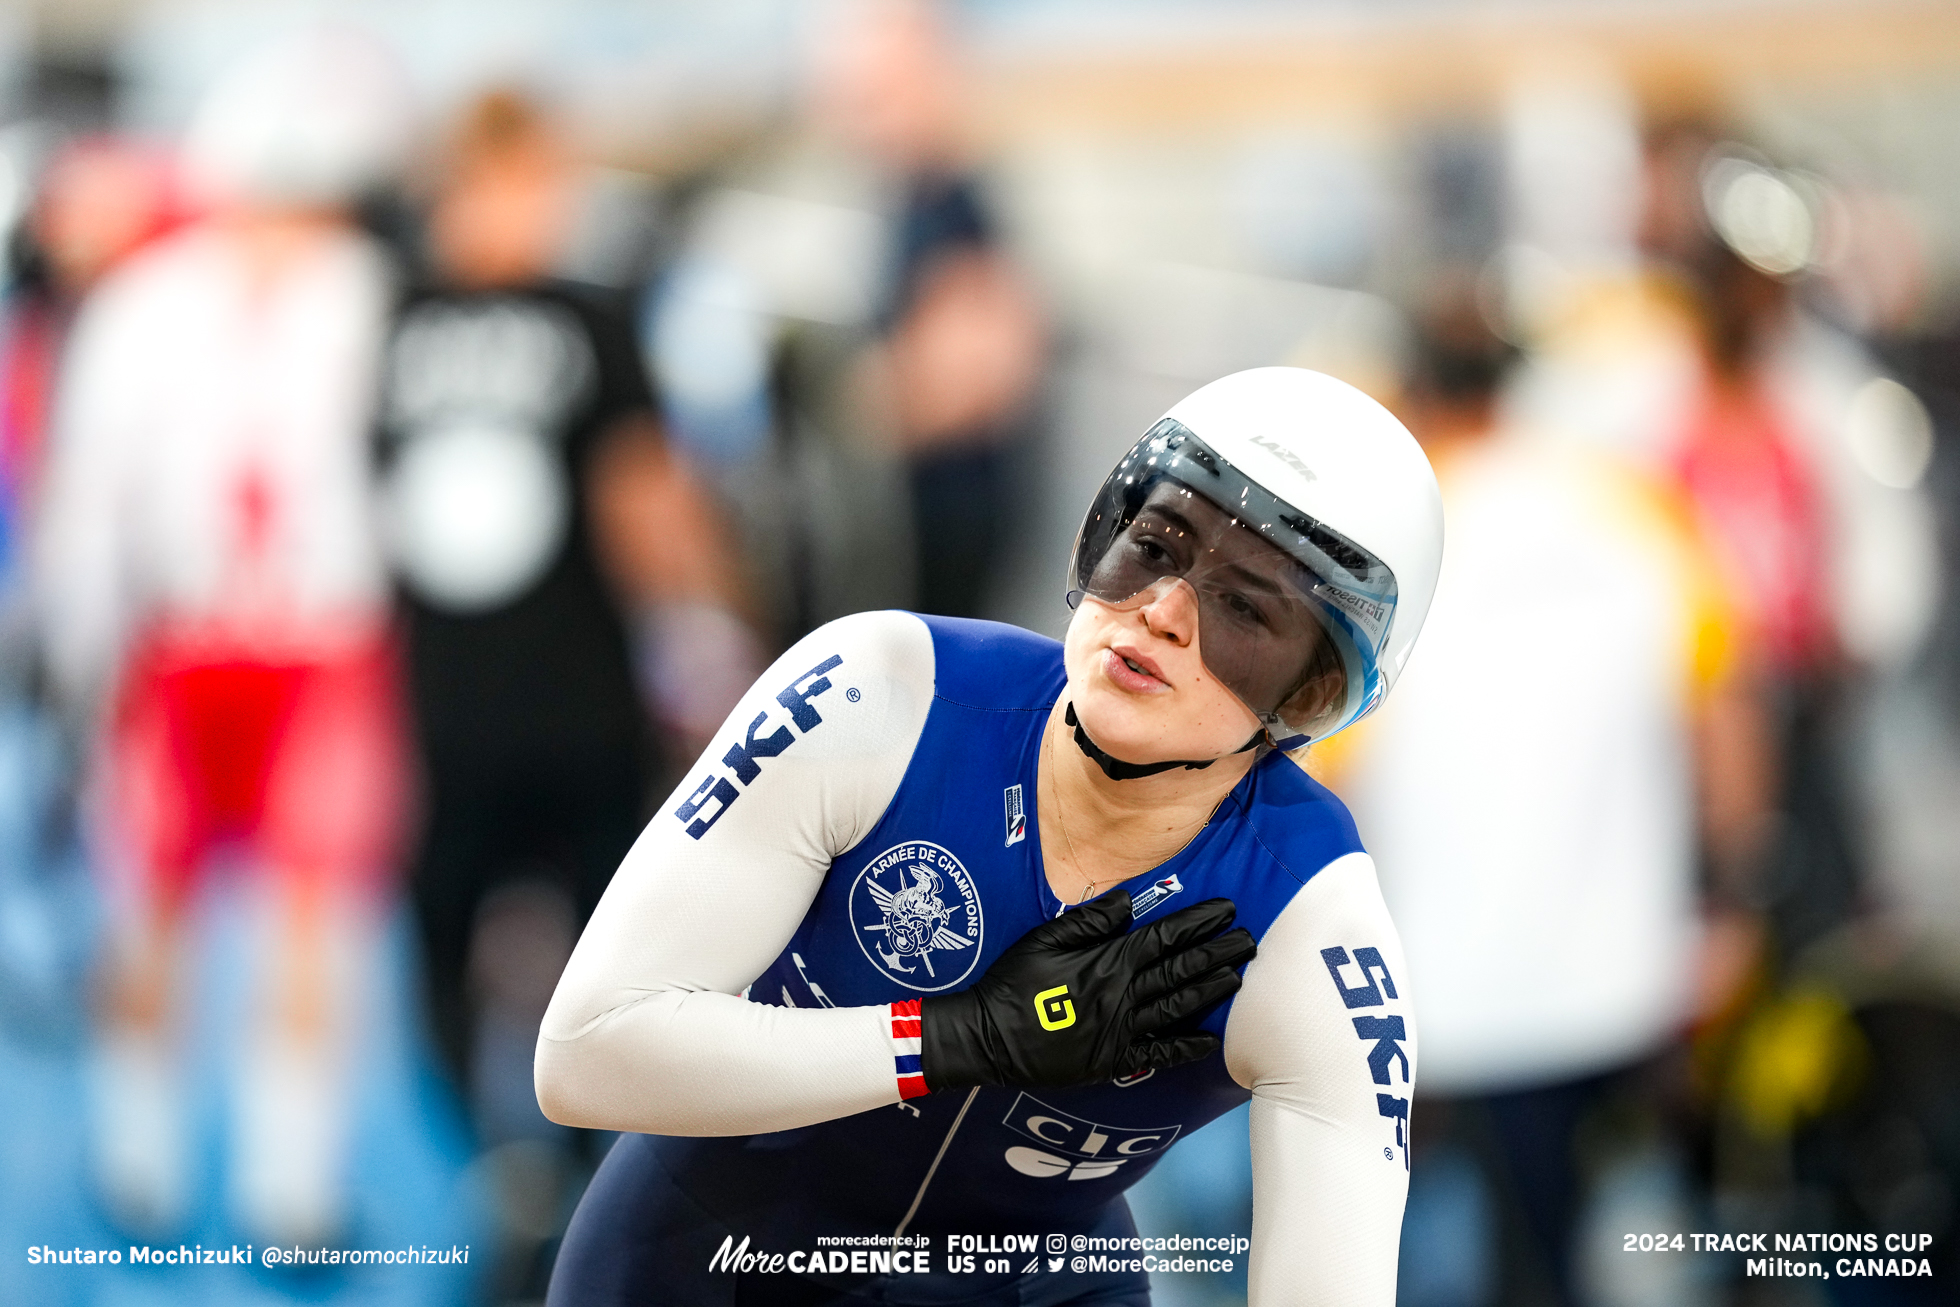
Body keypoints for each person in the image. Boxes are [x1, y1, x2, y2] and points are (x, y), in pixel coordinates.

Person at [534, 367, 1444, 1306]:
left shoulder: (1311, 928)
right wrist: (954, 1038)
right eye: (1156, 545)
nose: (1164, 610)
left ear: (1310, 695)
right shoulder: (875, 694)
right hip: (704, 1263)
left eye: (1246, 607)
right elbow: (584, 1053)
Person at [34, 29, 412, 1241]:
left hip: (323, 650)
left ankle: (286, 1178)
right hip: (178, 650)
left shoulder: (361, 298)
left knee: (320, 911)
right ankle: (137, 1148)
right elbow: (91, 495)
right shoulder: (151, 305)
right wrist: (82, 657)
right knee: (151, 905)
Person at [375, 89, 757, 1135]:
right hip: (450, 695)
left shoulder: (581, 314)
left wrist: (711, 640)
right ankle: (493, 1152)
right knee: (457, 919)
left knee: (597, 926)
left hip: (571, 691)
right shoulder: (393, 312)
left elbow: (647, 494)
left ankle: (565, 1151)